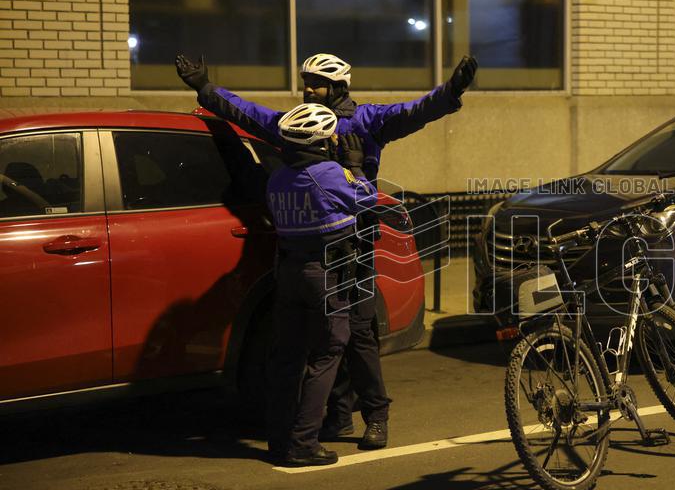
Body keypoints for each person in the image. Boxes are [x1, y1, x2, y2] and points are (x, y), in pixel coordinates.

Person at [176, 52, 478, 450]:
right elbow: (249, 114)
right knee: (326, 340)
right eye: (306, 83)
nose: (308, 90)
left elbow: (415, 112)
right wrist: (205, 88)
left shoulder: (367, 120)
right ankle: (338, 417)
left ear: (338, 87)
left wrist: (451, 91)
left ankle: (376, 416)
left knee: (359, 334)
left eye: (317, 84)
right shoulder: (297, 123)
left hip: (357, 241)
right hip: (313, 249)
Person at [263, 102, 376, 466]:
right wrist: (355, 167)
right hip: (324, 275)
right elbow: (368, 199)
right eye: (332, 137)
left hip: (288, 273)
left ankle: (279, 441)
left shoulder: (277, 178)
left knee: (287, 359)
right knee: (327, 353)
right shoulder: (328, 173)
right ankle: (304, 444)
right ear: (322, 141)